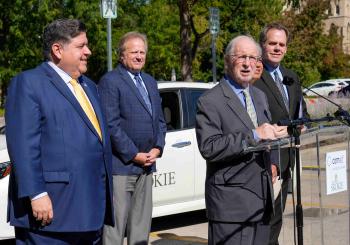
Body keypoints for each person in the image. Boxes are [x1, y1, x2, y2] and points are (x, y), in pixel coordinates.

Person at [5, 19, 114, 244]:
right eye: (81, 46)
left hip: (90, 212)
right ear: (57, 50)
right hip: (51, 214)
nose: (88, 51)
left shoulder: (89, 87)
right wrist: (36, 194)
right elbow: (24, 145)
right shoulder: (29, 83)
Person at [195, 35, 287, 245]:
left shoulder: (259, 96)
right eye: (241, 57)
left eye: (253, 58)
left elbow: (266, 135)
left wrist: (273, 158)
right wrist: (255, 135)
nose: (247, 63)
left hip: (262, 201)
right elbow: (209, 148)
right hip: (232, 207)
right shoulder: (210, 101)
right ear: (228, 60)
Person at [99, 31, 166, 245]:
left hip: (147, 165)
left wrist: (158, 147)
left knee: (141, 224)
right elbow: (111, 125)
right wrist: (133, 154)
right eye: (134, 52)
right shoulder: (110, 81)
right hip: (122, 165)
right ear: (121, 55)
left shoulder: (150, 81)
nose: (139, 56)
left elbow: (161, 121)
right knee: (115, 226)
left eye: (142, 52)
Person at [254, 22, 309, 245]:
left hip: (288, 159)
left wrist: (301, 123)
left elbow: (301, 112)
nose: (277, 48)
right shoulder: (254, 76)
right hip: (265, 159)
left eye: (282, 44)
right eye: (272, 43)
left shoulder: (291, 77)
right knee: (265, 219)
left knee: (277, 218)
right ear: (262, 45)